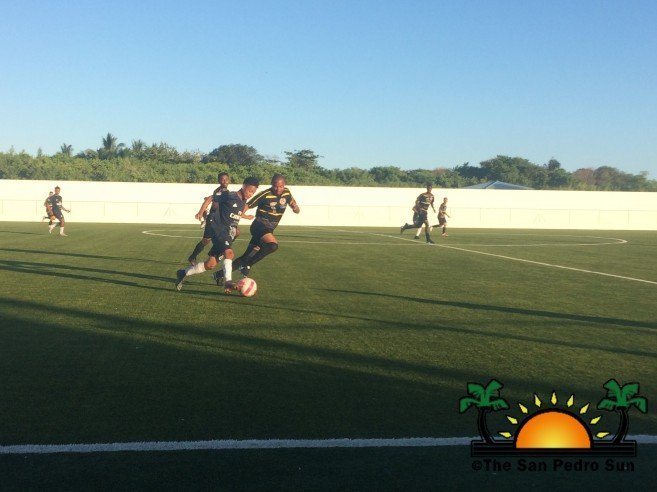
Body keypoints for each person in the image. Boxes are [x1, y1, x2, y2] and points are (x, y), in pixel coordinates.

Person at [175, 177, 260, 294]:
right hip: (219, 231)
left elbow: (235, 214)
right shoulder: (230, 195)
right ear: (243, 186)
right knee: (229, 253)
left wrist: (239, 224)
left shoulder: (243, 202)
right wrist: (200, 212)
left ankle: (183, 273)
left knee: (210, 264)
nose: (250, 194)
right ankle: (228, 282)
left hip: (228, 234)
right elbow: (210, 198)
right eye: (249, 191)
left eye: (253, 192)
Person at [212, 173, 300, 283]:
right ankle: (248, 265)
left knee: (245, 257)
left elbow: (294, 206)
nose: (278, 189)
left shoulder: (287, 193)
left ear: (284, 185)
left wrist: (295, 208)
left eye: (281, 186)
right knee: (272, 245)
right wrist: (236, 219)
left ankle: (218, 274)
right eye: (275, 186)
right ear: (271, 184)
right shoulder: (264, 195)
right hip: (259, 226)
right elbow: (245, 206)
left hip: (269, 229)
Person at [186, 172, 233, 265]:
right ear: (219, 181)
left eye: (226, 179)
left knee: (206, 241)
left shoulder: (223, 190)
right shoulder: (221, 191)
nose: (225, 181)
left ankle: (193, 257)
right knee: (217, 239)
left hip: (217, 219)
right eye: (222, 179)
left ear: (229, 180)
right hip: (213, 219)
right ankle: (216, 256)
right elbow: (210, 200)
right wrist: (200, 212)